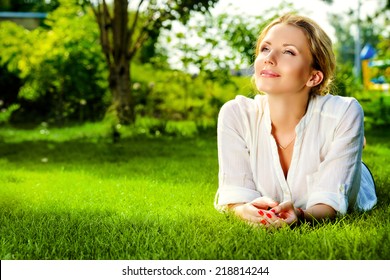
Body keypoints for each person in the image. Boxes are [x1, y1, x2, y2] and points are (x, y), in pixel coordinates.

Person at [214, 13, 377, 228]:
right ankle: (354, 141)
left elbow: (331, 200)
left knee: (344, 149)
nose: (269, 58)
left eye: (288, 51)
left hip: (354, 173)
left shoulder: (345, 111)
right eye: (265, 48)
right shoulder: (235, 114)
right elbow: (234, 192)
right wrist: (243, 210)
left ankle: (353, 146)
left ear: (313, 77)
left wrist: (302, 216)